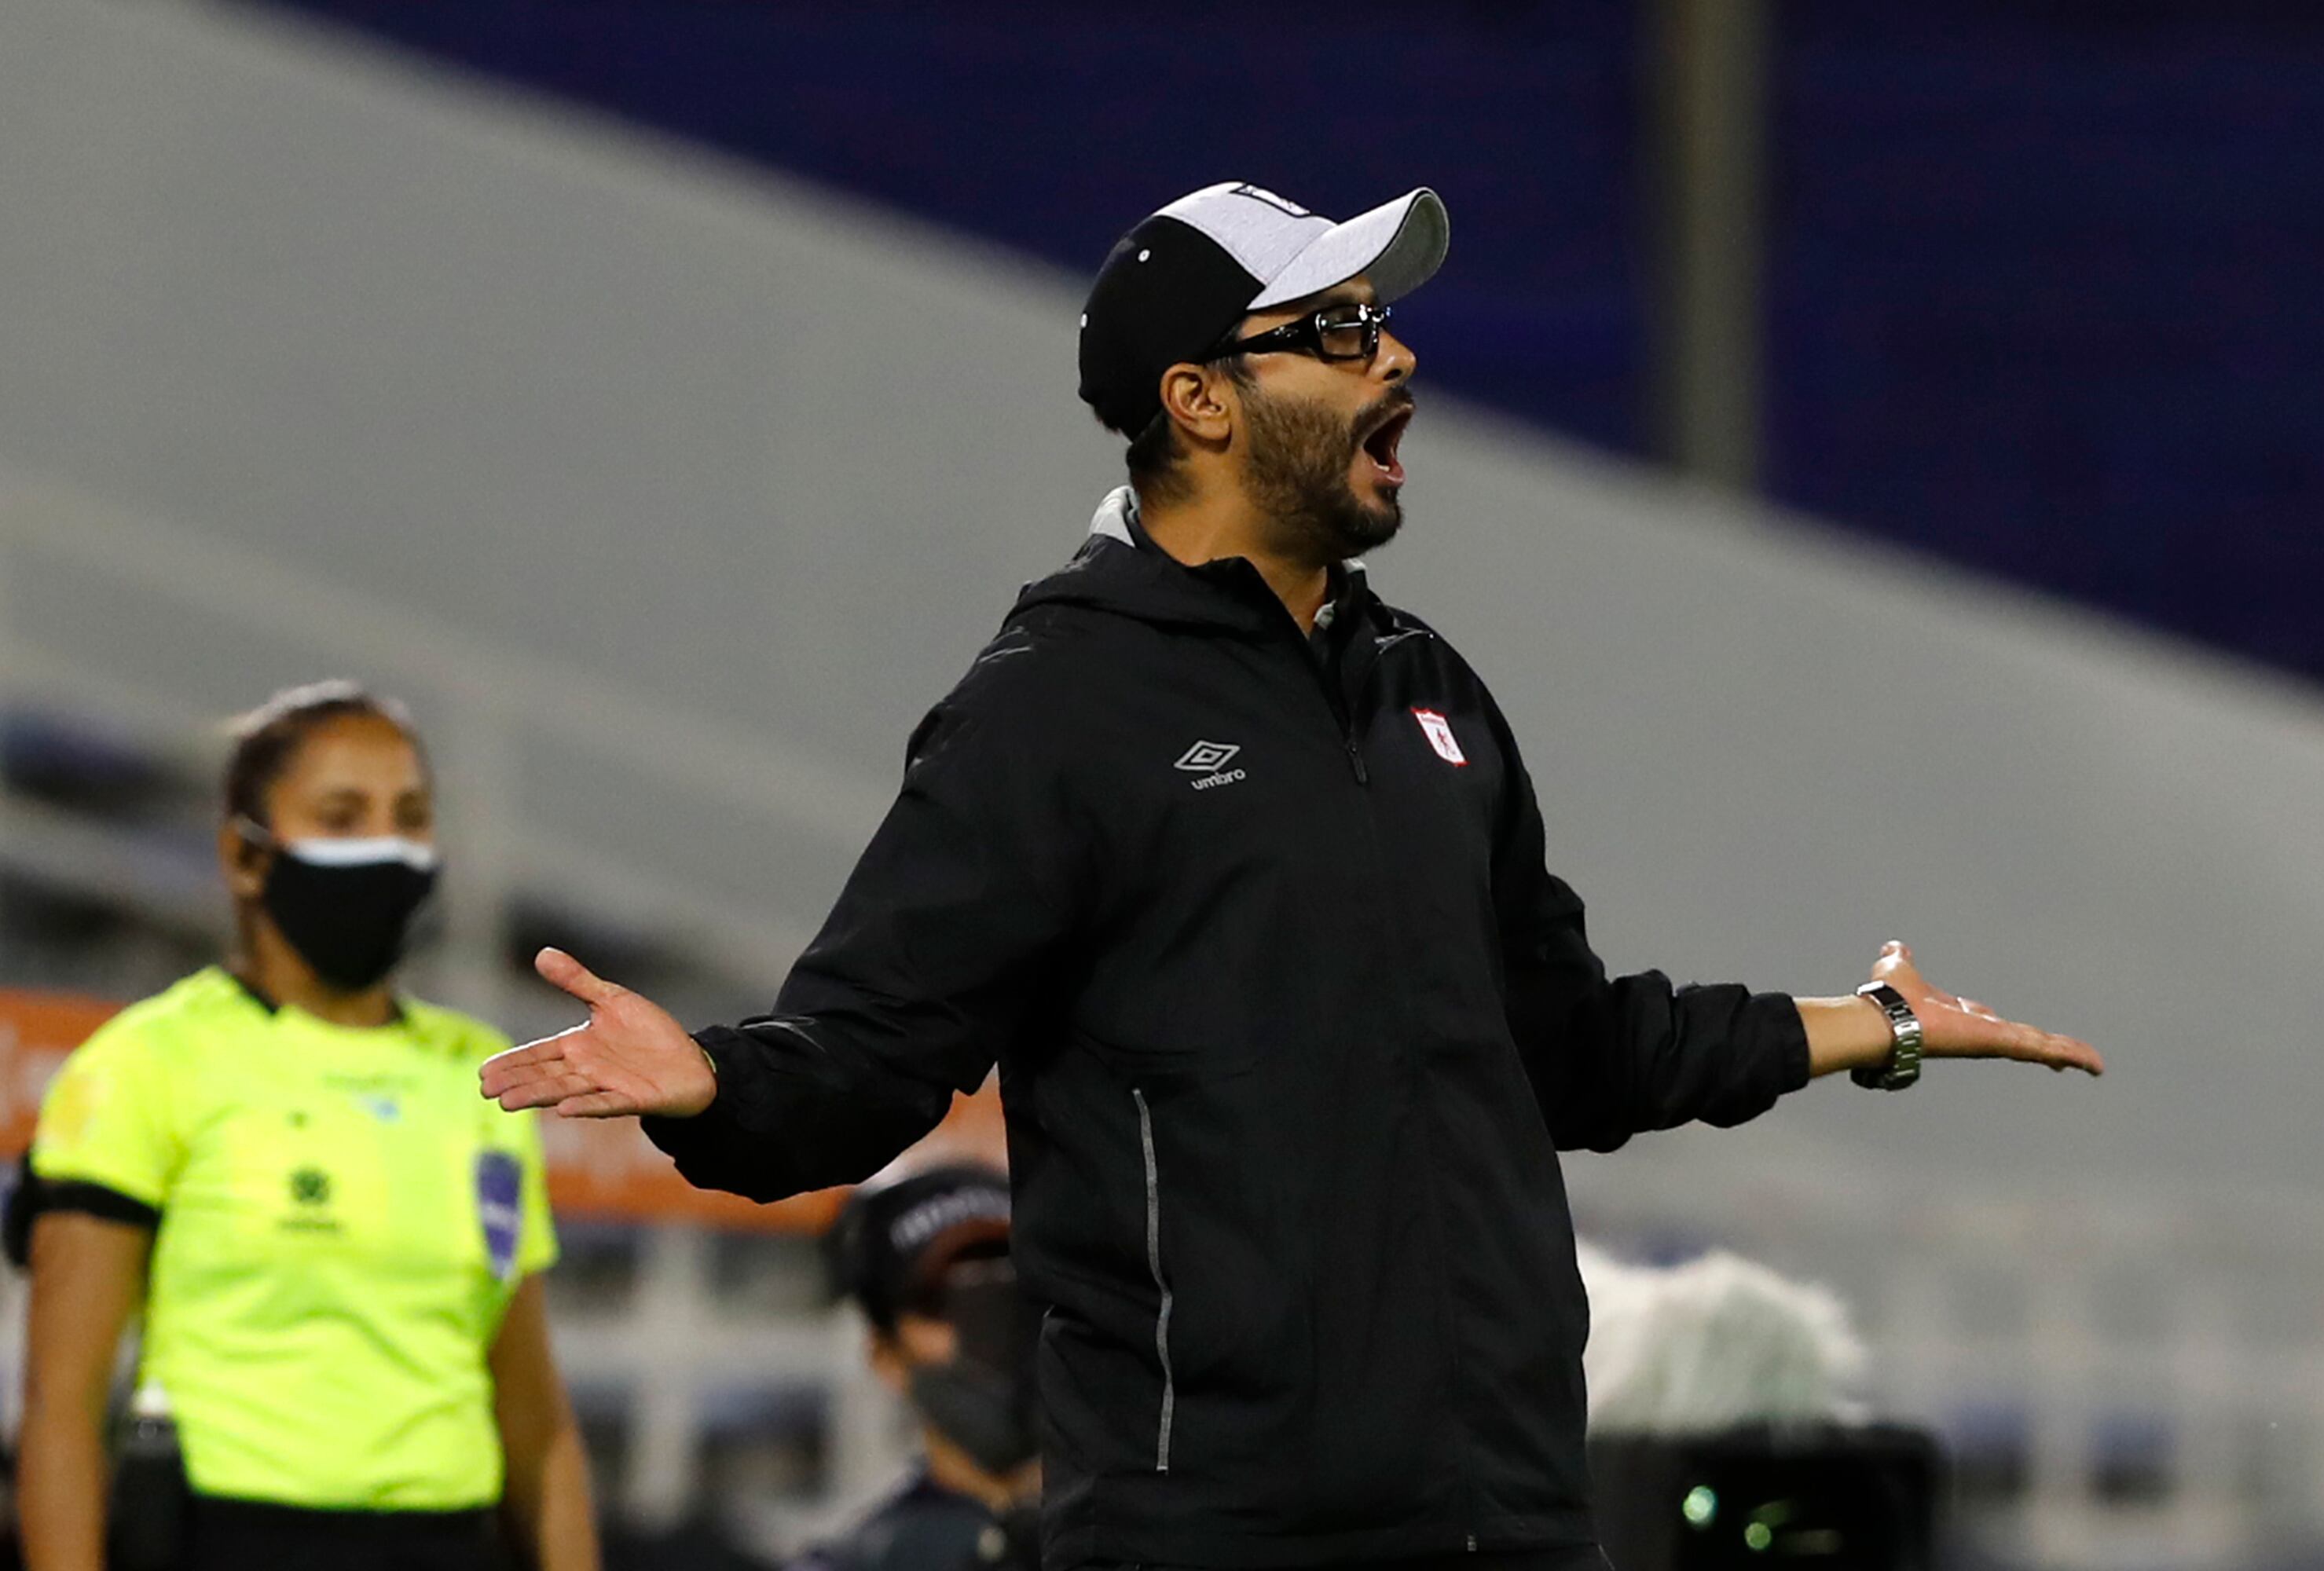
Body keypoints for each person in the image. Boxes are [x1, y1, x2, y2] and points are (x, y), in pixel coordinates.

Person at [482, 182, 2102, 1571]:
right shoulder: (1054, 707)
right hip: (1219, 1528)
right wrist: (711, 1083)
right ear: (1199, 400)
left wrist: (1866, 1024)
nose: (1394, 353)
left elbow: (1565, 1046)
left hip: (1508, 1510)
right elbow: (866, 1054)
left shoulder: (1426, 687)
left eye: (1380, 324)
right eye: (1335, 331)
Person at [15, 681, 597, 1571]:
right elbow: (62, 1407)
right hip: (226, 1537)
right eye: (342, 814)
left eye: (410, 816)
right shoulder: (148, 1061)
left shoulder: (483, 1074)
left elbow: (536, 1418)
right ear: (245, 857)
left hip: (445, 1543)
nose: (387, 845)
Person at [788, 1165, 1040, 1571]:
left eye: (1013, 1289)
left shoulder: (1154, 1526)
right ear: (886, 1357)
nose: (991, 1327)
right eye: (940, 1300)